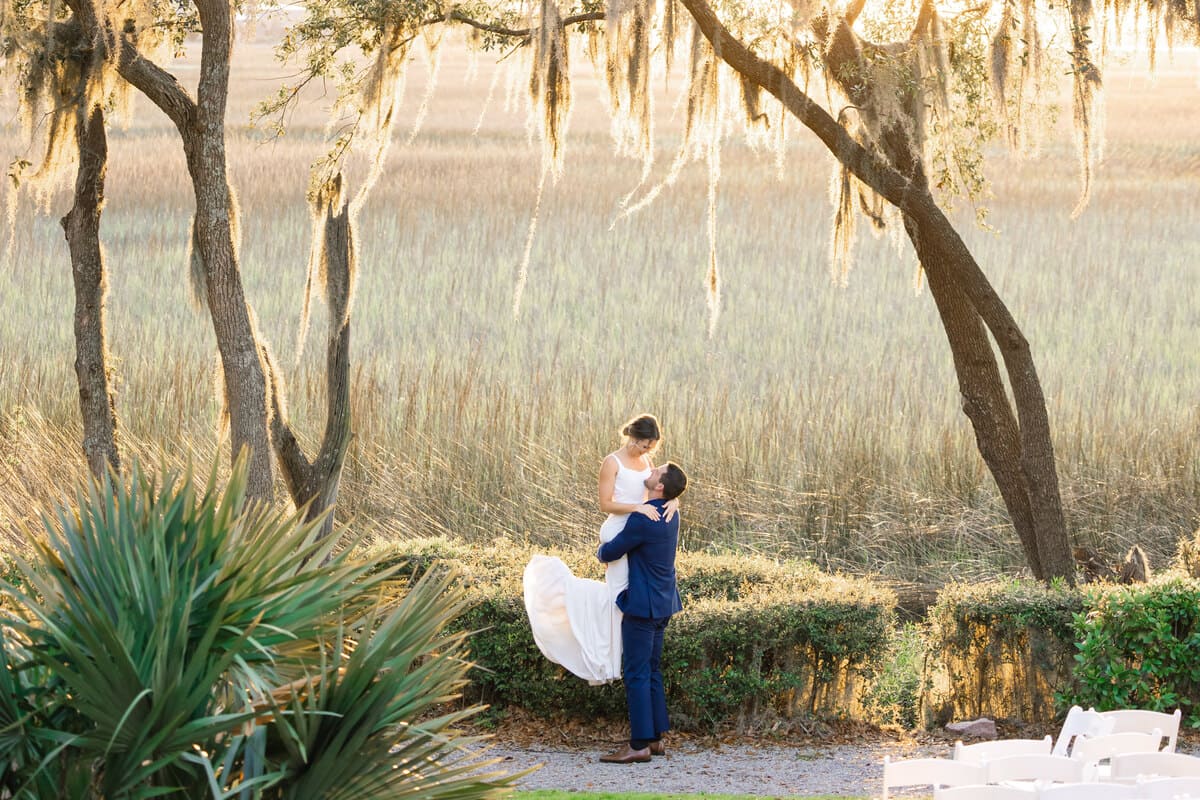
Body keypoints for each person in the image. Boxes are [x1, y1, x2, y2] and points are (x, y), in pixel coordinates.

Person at [523, 414, 677, 684]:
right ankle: (608, 660)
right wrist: (636, 508)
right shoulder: (612, 462)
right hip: (622, 527)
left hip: (640, 531)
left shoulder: (647, 463)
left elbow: (661, 490)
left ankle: (622, 658)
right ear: (633, 437)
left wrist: (674, 502)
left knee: (633, 594)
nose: (647, 451)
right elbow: (605, 504)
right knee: (619, 597)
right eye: (644, 445)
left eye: (651, 448)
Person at [596, 461, 688, 764]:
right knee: (651, 670)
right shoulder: (672, 513)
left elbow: (609, 553)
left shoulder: (642, 520)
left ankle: (638, 746)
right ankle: (655, 740)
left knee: (635, 673)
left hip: (642, 606)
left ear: (659, 486)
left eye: (654, 472)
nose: (648, 473)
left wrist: (599, 548)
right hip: (664, 603)